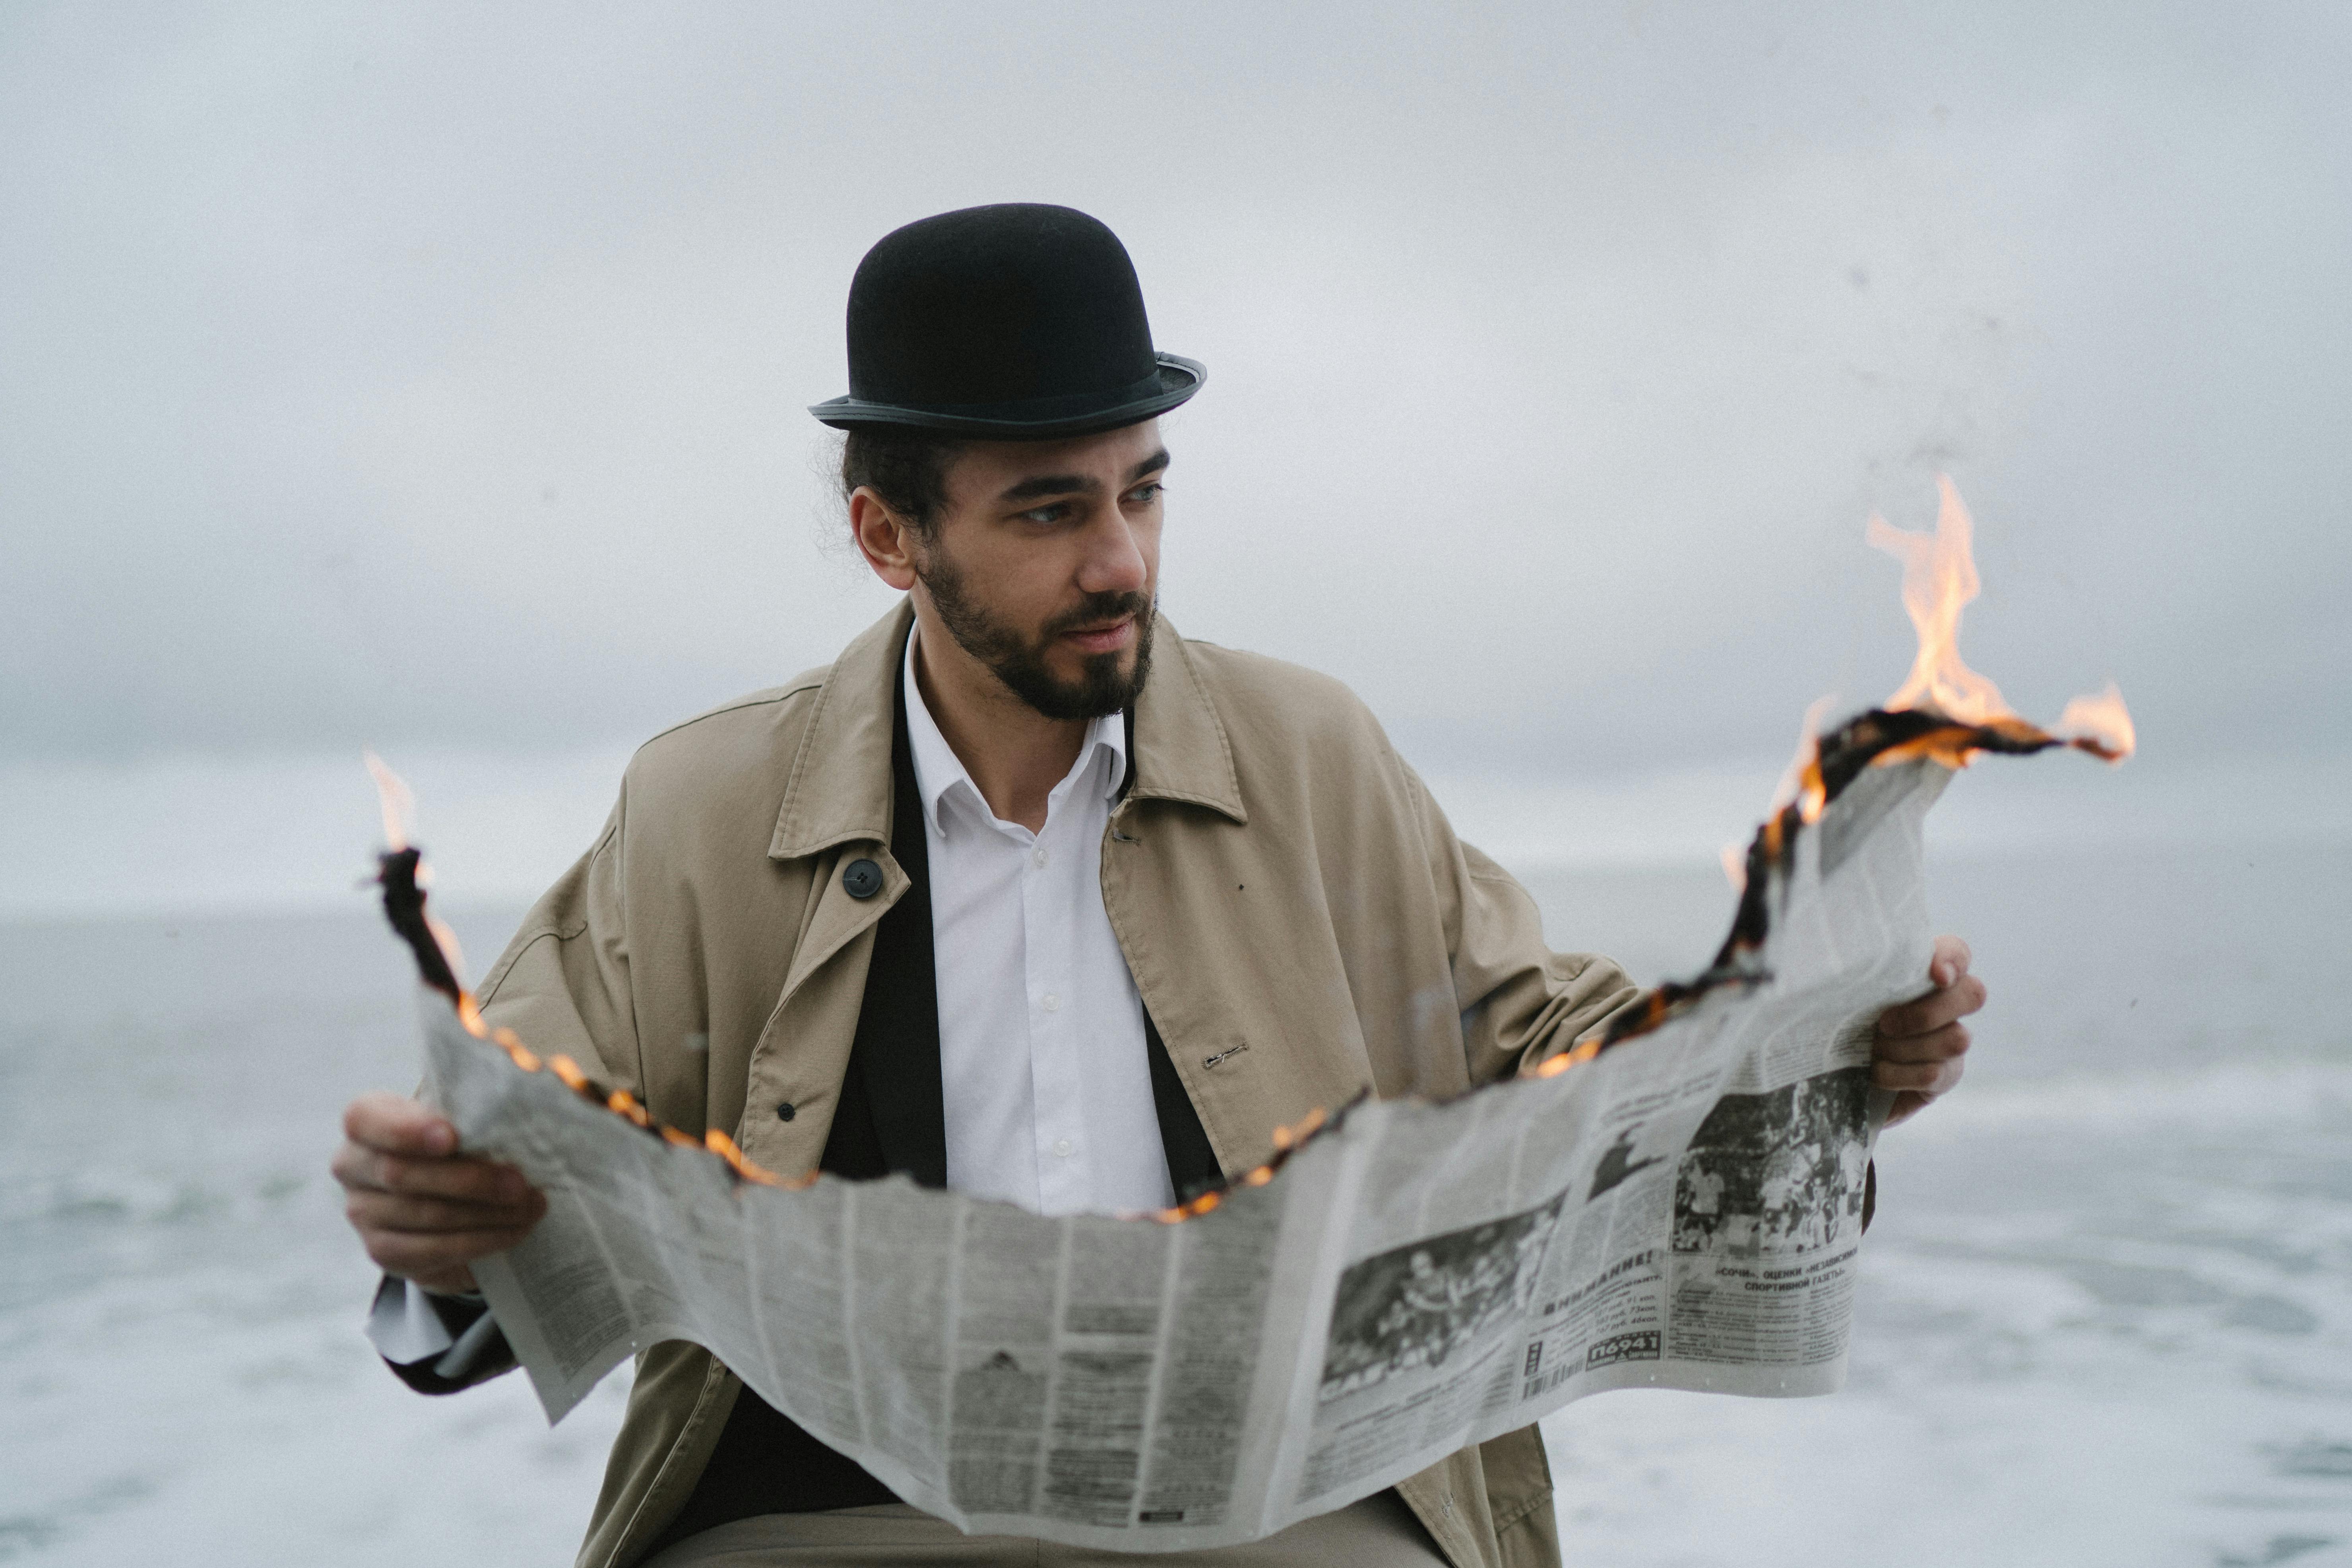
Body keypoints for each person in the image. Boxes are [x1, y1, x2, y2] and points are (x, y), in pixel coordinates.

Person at [332, 204, 1986, 1568]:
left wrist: (1826, 1052)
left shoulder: (1311, 750)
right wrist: (436, 1232)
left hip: (1282, 1514)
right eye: (1051, 510)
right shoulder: (699, 805)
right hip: (836, 1516)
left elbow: (1535, 1037)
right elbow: (507, 1143)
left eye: (1140, 490)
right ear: (888, 538)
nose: (1118, 557)